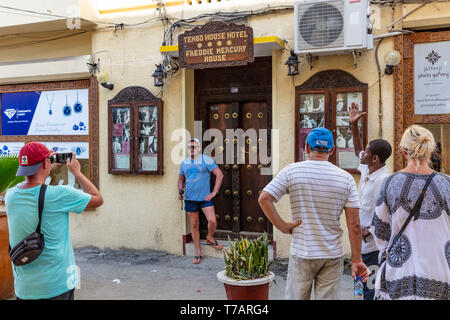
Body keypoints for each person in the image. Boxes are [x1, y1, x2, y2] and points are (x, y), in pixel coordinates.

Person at [258, 127, 369, 300]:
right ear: (332, 150)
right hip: (332, 254)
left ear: (307, 148)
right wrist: (356, 259)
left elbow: (264, 199)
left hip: (303, 252)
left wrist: (282, 226)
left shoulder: (292, 171)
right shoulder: (345, 178)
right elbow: (354, 224)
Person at [5, 142, 103, 300]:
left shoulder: (10, 196)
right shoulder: (60, 194)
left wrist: (45, 165)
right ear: (45, 162)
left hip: (24, 289)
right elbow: (98, 200)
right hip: (56, 286)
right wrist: (77, 172)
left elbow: (32, 185)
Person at [371, 125, 449, 300]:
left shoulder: (390, 183)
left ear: (403, 152)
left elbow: (380, 232)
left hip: (400, 272)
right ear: (429, 151)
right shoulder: (447, 184)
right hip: (441, 271)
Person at [349, 102, 392, 300]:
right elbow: (357, 147)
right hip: (360, 247)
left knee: (372, 293)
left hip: (374, 248)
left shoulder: (385, 180)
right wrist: (354, 125)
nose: (362, 153)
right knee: (361, 291)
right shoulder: (368, 169)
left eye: (366, 151)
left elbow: (388, 212)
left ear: (374, 158)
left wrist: (369, 230)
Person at [178, 138, 224, 264]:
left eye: (194, 147)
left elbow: (219, 175)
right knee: (194, 224)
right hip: (190, 199)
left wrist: (214, 192)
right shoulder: (184, 162)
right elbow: (181, 179)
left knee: (212, 220)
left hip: (204, 198)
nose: (192, 149)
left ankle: (209, 237)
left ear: (199, 148)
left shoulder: (206, 160)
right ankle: (198, 253)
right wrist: (180, 190)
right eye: (189, 147)